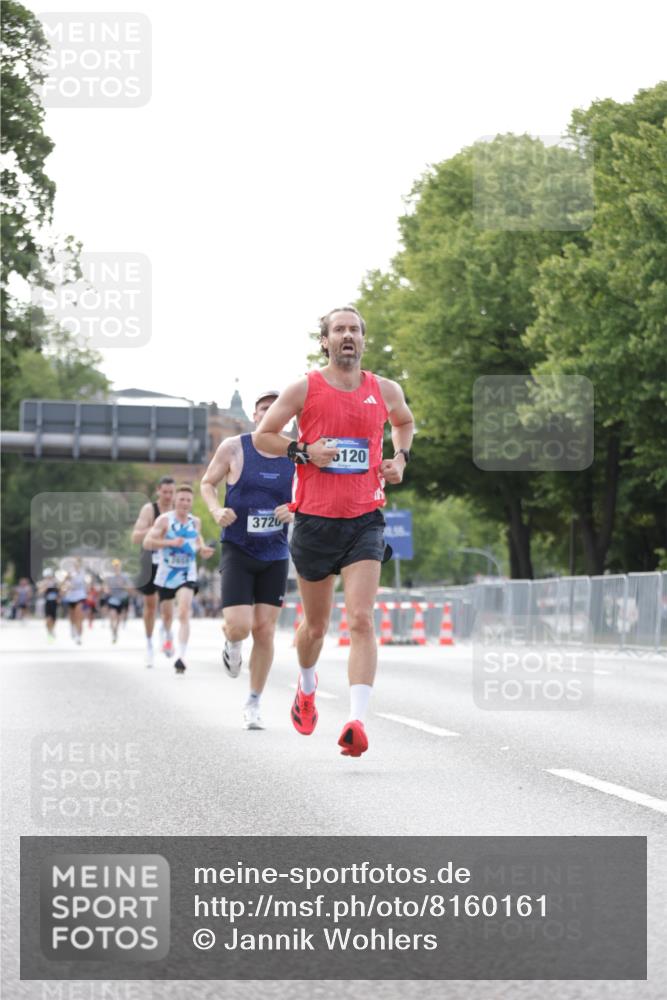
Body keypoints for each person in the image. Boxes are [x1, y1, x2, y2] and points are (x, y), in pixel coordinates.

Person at [254, 306, 414, 757]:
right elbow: (266, 436)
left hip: (366, 518)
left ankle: (356, 721)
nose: (347, 335)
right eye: (338, 330)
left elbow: (404, 423)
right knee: (317, 627)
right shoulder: (305, 387)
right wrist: (303, 451)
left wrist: (400, 459)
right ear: (324, 341)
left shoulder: (384, 389)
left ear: (364, 339)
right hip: (314, 520)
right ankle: (306, 686)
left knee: (361, 619)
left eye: (355, 329)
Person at [200, 391, 295, 730]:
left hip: (275, 552)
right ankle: (231, 643)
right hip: (238, 548)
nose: (271, 415)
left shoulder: (297, 455)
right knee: (240, 626)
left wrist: (293, 510)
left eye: (277, 410)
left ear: (286, 417)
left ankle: (254, 701)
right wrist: (215, 510)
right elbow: (208, 483)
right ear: (255, 417)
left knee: (265, 630)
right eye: (264, 410)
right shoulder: (234, 447)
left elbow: (309, 497)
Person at [143, 483, 214, 673]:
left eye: (188, 500)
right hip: (166, 574)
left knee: (183, 612)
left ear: (192, 503)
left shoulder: (195, 521)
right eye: (181, 499)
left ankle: (181, 656)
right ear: (175, 500)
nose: (184, 503)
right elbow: (147, 542)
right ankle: (167, 635)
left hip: (187, 573)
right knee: (167, 616)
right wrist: (170, 542)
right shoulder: (164, 520)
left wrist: (203, 549)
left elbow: (197, 540)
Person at [131, 476, 176, 667]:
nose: (168, 496)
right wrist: (157, 527)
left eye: (171, 492)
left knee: (167, 607)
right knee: (150, 606)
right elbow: (135, 537)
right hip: (150, 560)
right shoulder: (150, 509)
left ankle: (166, 635)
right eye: (164, 492)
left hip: (170, 560)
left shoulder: (178, 510)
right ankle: (149, 644)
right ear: (158, 491)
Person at [104, 559, 133, 644]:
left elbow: (130, 588)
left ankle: (116, 631)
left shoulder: (125, 576)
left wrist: (123, 586)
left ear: (120, 566)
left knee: (118, 618)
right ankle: (113, 632)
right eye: (114, 565)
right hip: (113, 599)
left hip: (122, 599)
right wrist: (106, 590)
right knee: (112, 616)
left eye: (117, 565)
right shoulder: (109, 577)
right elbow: (105, 587)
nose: (116, 567)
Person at [61, 559, 88, 644]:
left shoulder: (83, 573)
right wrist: (66, 581)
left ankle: (79, 636)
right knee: (72, 617)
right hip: (71, 597)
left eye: (78, 564)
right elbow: (63, 584)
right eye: (75, 564)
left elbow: (87, 583)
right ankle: (72, 627)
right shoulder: (69, 573)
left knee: (79, 616)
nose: (76, 565)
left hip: (80, 596)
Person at [37, 570, 60, 640]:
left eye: (50, 576)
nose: (48, 578)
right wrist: (45, 587)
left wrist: (59, 598)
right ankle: (49, 632)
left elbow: (60, 591)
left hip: (54, 603)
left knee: (54, 618)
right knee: (48, 618)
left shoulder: (56, 582)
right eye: (47, 576)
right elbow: (39, 592)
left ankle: (52, 629)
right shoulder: (43, 583)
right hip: (47, 602)